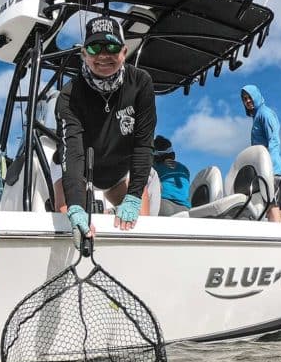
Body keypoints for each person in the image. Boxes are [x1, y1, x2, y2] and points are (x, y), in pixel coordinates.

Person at [54, 15, 157, 242]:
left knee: (141, 219)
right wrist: (77, 207)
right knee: (68, 213)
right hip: (79, 171)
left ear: (123, 52)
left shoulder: (141, 83)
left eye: (111, 46)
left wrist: (133, 197)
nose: (103, 55)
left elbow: (143, 144)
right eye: (94, 48)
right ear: (83, 54)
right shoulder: (69, 95)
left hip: (118, 175)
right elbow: (72, 153)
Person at [241, 84, 281, 223]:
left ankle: (277, 244)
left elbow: (274, 139)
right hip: (273, 169)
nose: (247, 101)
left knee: (271, 207)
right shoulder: (257, 116)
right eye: (244, 99)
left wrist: (267, 166)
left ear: (256, 96)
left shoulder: (264, 113)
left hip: (271, 169)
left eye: (249, 97)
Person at [153, 135, 191, 216]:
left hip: (164, 205)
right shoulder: (184, 168)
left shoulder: (155, 168)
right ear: (173, 155)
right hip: (186, 209)